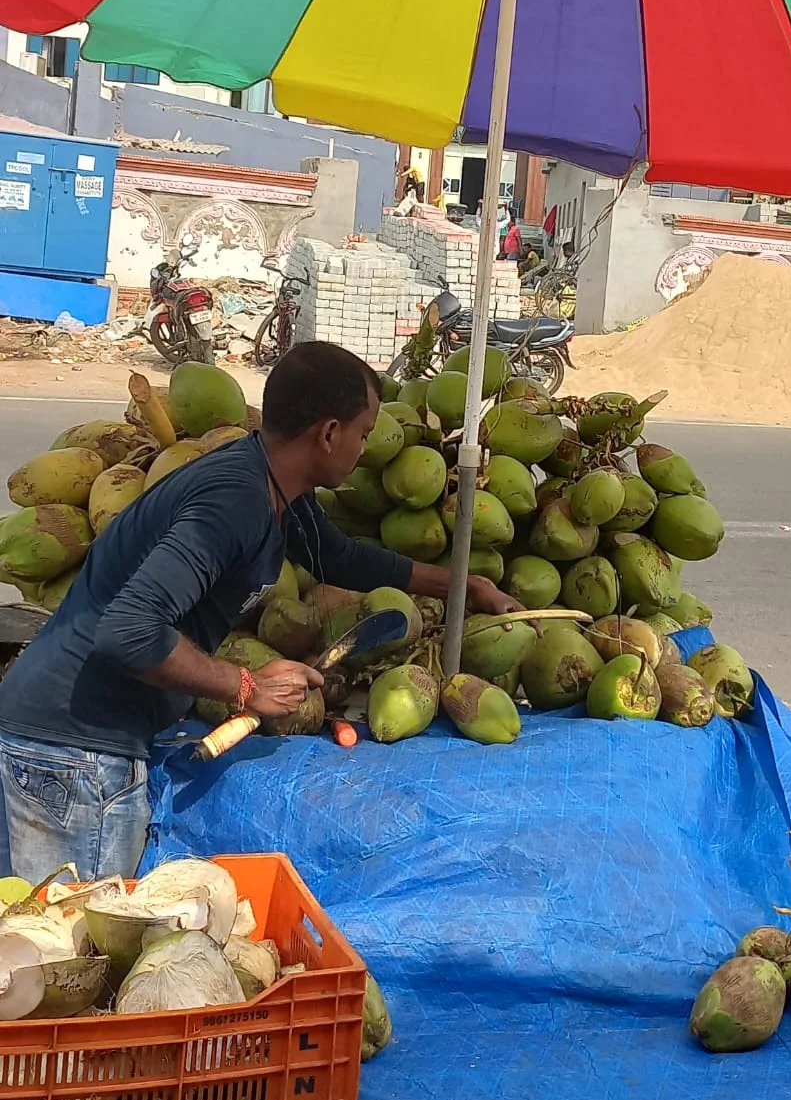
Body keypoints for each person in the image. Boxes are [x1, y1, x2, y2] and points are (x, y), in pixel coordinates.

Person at [0, 343, 521, 883]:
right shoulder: (236, 501)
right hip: (72, 748)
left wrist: (464, 586)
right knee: (67, 946)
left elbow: (343, 558)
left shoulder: (277, 487)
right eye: (363, 433)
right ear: (328, 433)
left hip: (67, 740)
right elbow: (130, 629)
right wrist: (247, 687)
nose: (366, 449)